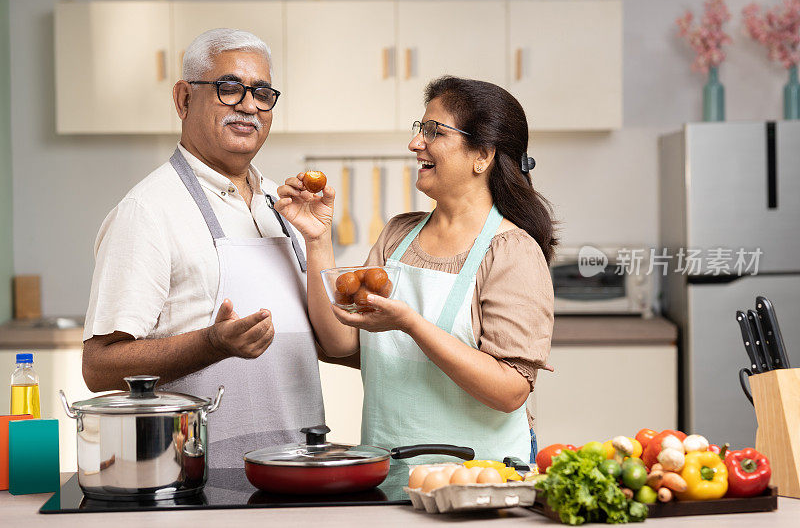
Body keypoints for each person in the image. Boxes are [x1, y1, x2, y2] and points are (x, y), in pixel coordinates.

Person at [276, 76, 556, 463]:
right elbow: (340, 341)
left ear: (483, 155)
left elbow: (510, 391)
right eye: (420, 128)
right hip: (390, 472)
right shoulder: (398, 235)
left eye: (434, 131)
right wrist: (317, 238)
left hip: (477, 482)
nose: (415, 143)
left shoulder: (512, 251)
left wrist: (411, 323)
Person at [82, 28, 324, 467]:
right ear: (183, 99)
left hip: (296, 468)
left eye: (263, 93)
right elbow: (98, 367)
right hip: (197, 474)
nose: (249, 105)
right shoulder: (148, 210)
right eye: (229, 89)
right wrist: (212, 342)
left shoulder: (282, 205)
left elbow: (310, 338)